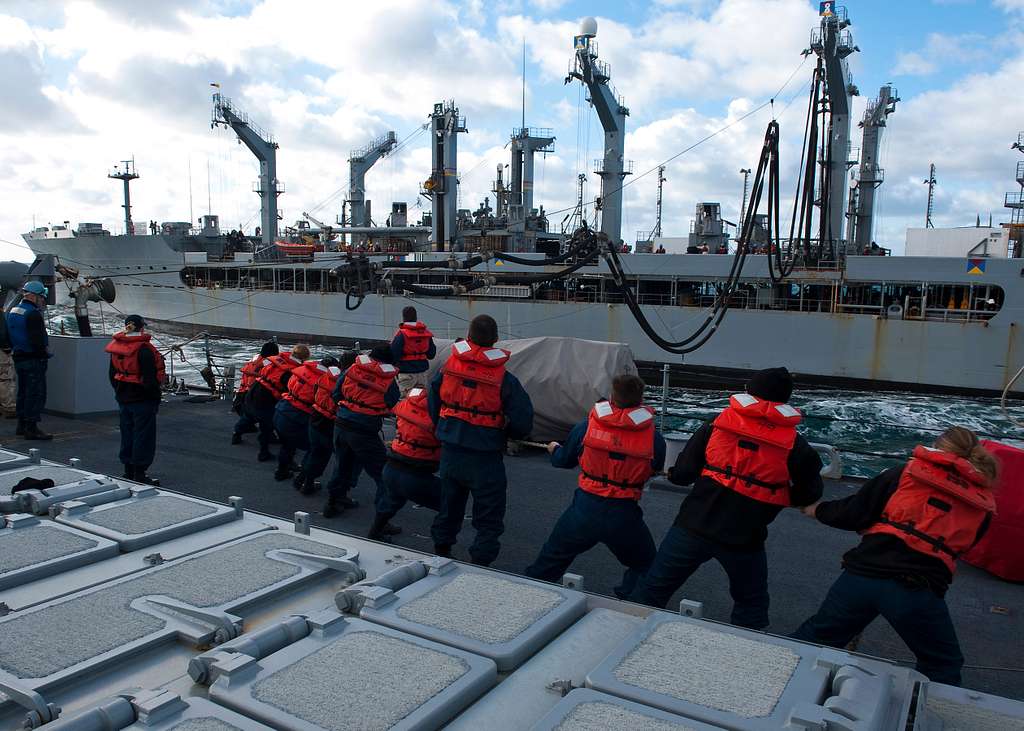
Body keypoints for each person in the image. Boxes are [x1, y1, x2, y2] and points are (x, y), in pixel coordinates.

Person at [792, 427, 997, 686]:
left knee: (815, 638)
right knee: (943, 663)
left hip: (863, 576)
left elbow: (855, 512)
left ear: (939, 447)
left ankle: (768, 680)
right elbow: (963, 546)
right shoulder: (983, 505)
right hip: (917, 590)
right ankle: (923, 716)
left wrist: (817, 509)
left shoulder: (904, 474)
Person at [629, 367, 823, 629]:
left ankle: (627, 631)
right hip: (745, 539)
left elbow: (684, 473)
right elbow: (809, 493)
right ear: (785, 401)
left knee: (653, 589)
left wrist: (674, 474)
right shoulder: (796, 446)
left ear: (749, 393)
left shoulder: (716, 425)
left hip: (694, 525)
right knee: (750, 605)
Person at [525, 374, 665, 598]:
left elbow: (563, 461)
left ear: (611, 397)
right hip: (624, 514)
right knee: (646, 565)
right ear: (640, 401)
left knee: (552, 557)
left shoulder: (586, 427)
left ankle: (530, 597)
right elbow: (654, 466)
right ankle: (629, 602)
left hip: (584, 508)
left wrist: (555, 449)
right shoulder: (653, 438)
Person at [428, 314, 533, 566]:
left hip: (451, 451)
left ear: (468, 336)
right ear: (496, 340)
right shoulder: (504, 379)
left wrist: (444, 428)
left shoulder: (448, 368)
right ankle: (481, 564)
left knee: (449, 507)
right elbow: (522, 419)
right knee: (489, 516)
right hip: (485, 456)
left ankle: (441, 555)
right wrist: (509, 434)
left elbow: (433, 401)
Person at [324, 345, 400, 520]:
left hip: (342, 423)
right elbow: (391, 402)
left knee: (342, 464)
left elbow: (336, 394)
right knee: (383, 474)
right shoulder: (388, 380)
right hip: (364, 429)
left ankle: (333, 502)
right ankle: (381, 521)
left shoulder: (353, 368)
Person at [368, 385, 442, 542]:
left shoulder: (407, 406)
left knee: (392, 498)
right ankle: (442, 551)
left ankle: (376, 531)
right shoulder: (441, 414)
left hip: (392, 467)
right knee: (450, 504)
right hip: (418, 475)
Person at [105, 315, 166, 484]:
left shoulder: (117, 348)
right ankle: (140, 473)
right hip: (143, 399)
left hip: (123, 398)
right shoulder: (144, 349)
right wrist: (155, 398)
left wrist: (119, 392)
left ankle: (128, 470)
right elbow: (150, 379)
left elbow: (112, 375)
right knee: (143, 436)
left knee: (127, 434)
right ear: (141, 328)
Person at [300, 352, 356, 496]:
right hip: (333, 424)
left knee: (316, 452)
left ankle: (307, 481)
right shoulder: (350, 383)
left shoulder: (324, 377)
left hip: (315, 417)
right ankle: (337, 495)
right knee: (343, 459)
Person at [243, 344, 309, 462]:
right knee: (267, 425)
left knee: (262, 422)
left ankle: (245, 437)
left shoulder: (279, 359)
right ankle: (265, 453)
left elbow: (260, 368)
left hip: (254, 390)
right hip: (266, 398)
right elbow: (290, 389)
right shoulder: (292, 372)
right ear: (304, 358)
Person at [6, 281, 52, 440]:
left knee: (23, 392)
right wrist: (44, 354)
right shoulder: (32, 314)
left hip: (19, 357)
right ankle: (31, 428)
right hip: (33, 360)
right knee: (36, 394)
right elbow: (37, 341)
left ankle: (21, 425)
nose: (42, 300)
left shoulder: (14, 310)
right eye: (41, 297)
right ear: (33, 296)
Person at [272, 353, 329, 481]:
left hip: (281, 410)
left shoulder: (303, 371)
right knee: (315, 447)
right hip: (297, 416)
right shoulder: (324, 381)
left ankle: (282, 470)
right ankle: (303, 479)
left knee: (287, 444)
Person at [231, 341, 278, 445]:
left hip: (241, 398)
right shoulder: (268, 364)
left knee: (249, 416)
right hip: (254, 395)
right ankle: (268, 436)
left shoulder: (255, 359)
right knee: (267, 415)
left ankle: (237, 432)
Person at [390, 306, 436, 396]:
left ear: (403, 318)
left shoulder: (402, 334)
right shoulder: (425, 334)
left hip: (406, 374)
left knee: (405, 401)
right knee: (420, 400)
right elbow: (431, 354)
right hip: (422, 374)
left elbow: (393, 355)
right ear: (416, 317)